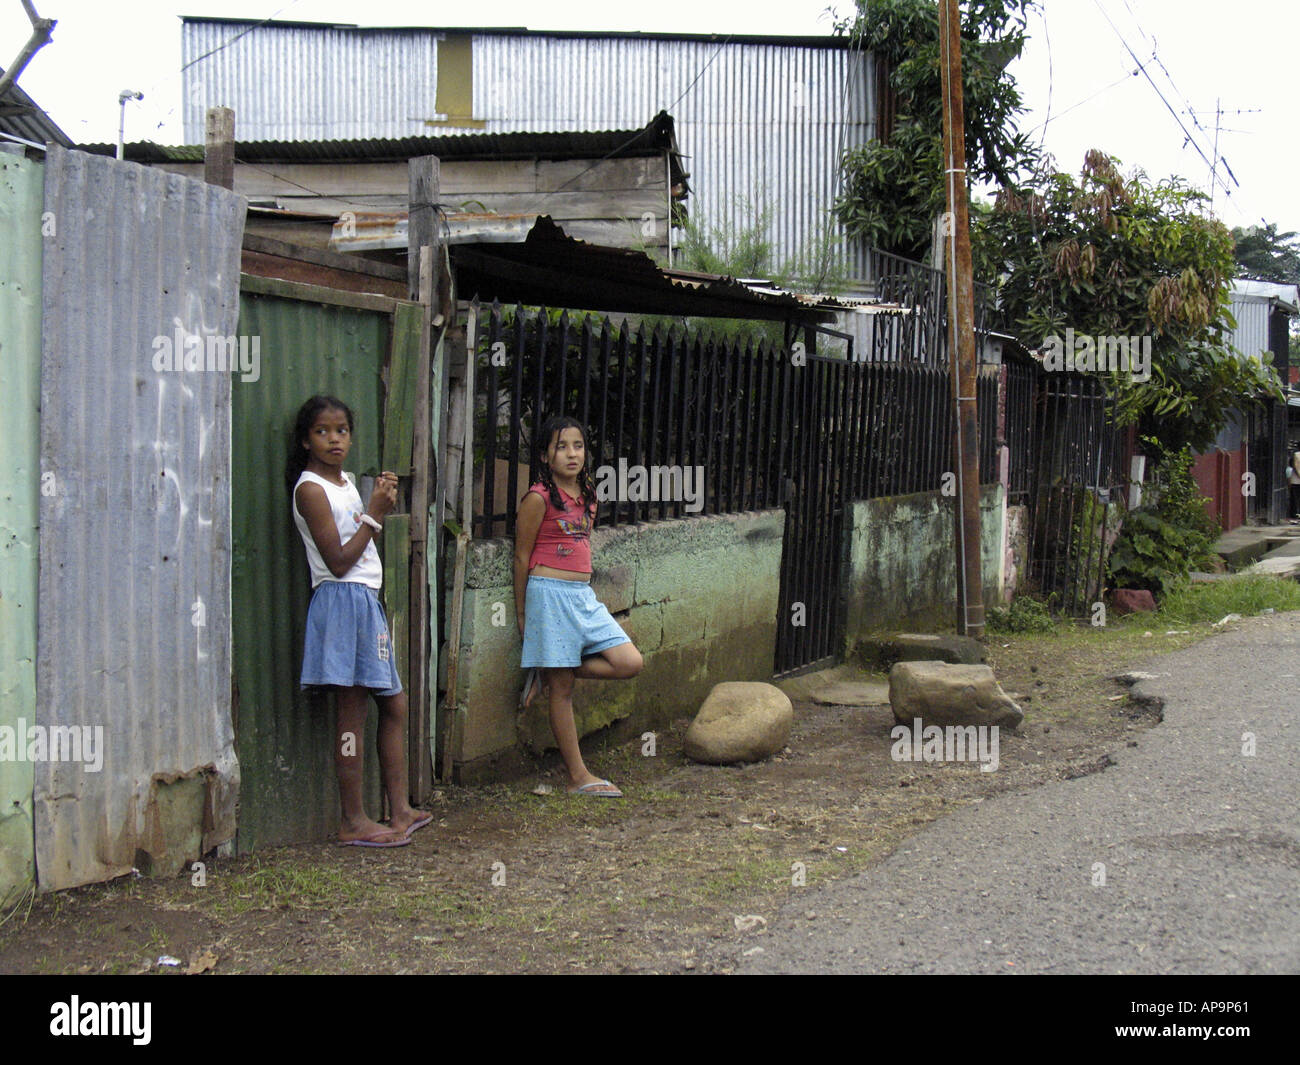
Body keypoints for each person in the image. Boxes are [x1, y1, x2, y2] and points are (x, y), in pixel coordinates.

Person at [287, 395, 432, 847]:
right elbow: (338, 560)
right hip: (341, 600)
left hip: (364, 602)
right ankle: (353, 820)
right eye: (322, 432)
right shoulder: (310, 489)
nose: (334, 439)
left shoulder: (346, 483)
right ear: (306, 440)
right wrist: (376, 513)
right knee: (351, 715)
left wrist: (371, 506)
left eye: (342, 431)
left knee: (394, 704)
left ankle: (401, 809)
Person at [514, 415, 643, 797]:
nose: (571, 453)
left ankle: (554, 667)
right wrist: (523, 614)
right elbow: (522, 557)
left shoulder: (589, 495)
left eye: (578, 445)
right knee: (563, 691)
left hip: (582, 596)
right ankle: (578, 776)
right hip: (548, 594)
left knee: (629, 662)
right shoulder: (538, 497)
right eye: (561, 446)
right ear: (545, 455)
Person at [1288, 442, 1300, 523]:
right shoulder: (1297, 454)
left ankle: (1296, 514)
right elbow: (1295, 466)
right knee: (1295, 498)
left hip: (1296, 479)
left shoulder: (1296, 454)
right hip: (1296, 479)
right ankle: (1295, 514)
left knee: (1295, 498)